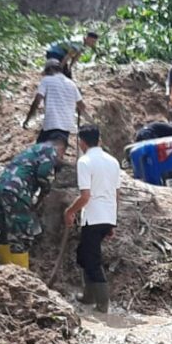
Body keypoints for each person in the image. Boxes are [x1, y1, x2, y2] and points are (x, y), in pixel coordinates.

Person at [63, 125, 121, 313]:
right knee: (84, 254)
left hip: (94, 217)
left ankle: (102, 304)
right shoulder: (113, 161)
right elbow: (116, 194)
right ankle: (88, 296)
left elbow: (85, 196)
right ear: (99, 140)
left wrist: (70, 211)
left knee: (92, 259)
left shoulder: (84, 161)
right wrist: (112, 222)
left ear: (82, 142)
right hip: (107, 216)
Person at [0, 136, 63, 268]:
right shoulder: (50, 150)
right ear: (61, 148)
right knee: (21, 236)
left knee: (5, 230)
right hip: (15, 191)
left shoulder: (32, 151)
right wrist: (46, 191)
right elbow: (43, 174)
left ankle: (3, 270)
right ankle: (19, 277)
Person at [22, 59, 88, 152]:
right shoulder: (71, 84)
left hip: (51, 124)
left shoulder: (47, 80)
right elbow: (82, 106)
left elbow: (37, 100)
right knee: (57, 154)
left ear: (50, 69)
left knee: (38, 153)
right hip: (66, 127)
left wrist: (28, 119)